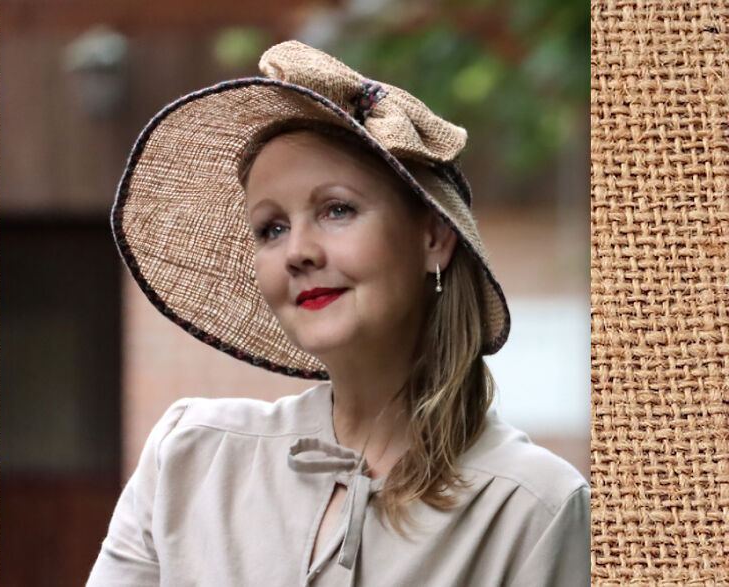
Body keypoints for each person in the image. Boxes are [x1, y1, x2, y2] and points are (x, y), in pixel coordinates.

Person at [87, 40, 590, 586]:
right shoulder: (190, 457)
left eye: (336, 209)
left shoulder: (533, 508)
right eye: (271, 228)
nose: (298, 251)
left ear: (434, 237)